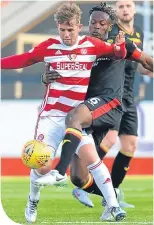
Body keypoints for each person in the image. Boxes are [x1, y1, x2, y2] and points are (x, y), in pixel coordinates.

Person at [1, 2, 127, 223]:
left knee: (93, 160)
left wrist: (120, 48)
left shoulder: (92, 45)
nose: (66, 34)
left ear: (79, 26)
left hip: (75, 120)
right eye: (62, 30)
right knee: (41, 165)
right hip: (50, 117)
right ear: (57, 27)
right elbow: (22, 59)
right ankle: (33, 198)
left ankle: (114, 207)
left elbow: (116, 53)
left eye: (70, 29)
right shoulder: (48, 47)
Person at [41, 1, 153, 221]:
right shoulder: (77, 47)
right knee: (79, 178)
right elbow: (57, 74)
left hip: (107, 106)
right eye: (93, 23)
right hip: (85, 111)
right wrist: (45, 78)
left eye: (102, 23)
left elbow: (148, 61)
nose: (97, 27)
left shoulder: (120, 45)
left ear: (109, 25)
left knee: (75, 119)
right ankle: (111, 197)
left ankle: (57, 172)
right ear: (87, 24)